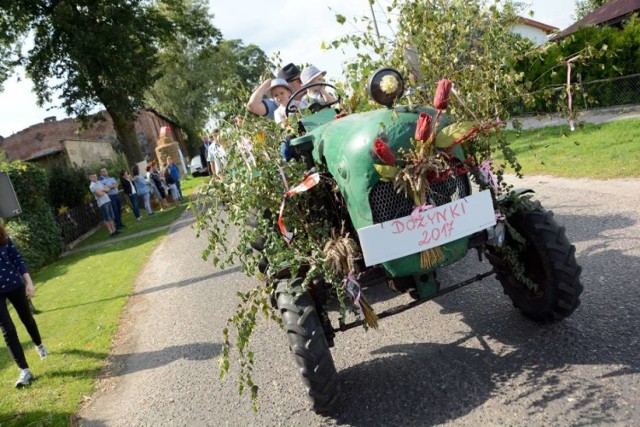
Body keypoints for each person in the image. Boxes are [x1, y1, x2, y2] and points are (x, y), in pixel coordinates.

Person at [0, 222, 49, 388]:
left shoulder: (4, 238)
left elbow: (18, 259)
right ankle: (24, 370)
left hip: (15, 285)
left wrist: (29, 282)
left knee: (27, 319)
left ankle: (39, 345)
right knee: (8, 330)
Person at [89, 172, 118, 237]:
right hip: (102, 203)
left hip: (107, 200)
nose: (95, 177)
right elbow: (99, 194)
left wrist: (102, 190)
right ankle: (111, 232)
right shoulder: (92, 186)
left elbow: (107, 189)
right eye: (93, 177)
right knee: (106, 218)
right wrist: (103, 190)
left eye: (96, 176)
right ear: (90, 178)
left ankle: (114, 230)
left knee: (111, 216)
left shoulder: (99, 182)